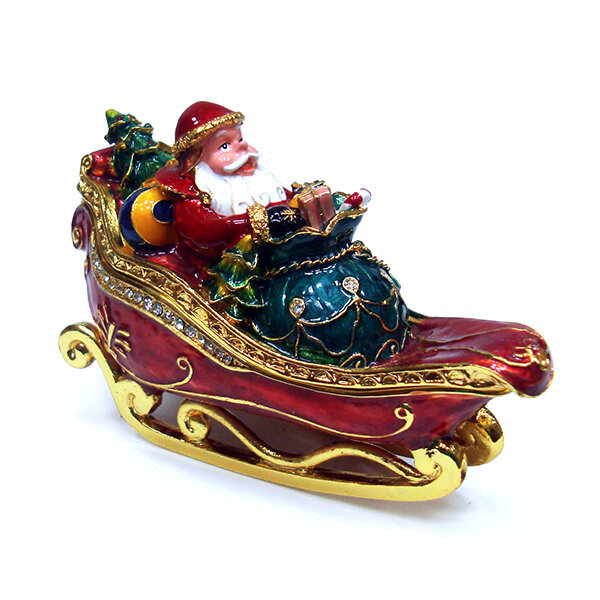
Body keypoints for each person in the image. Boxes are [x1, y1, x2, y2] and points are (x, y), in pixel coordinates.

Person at [152, 101, 368, 275]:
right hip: (225, 269)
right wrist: (257, 221)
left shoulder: (259, 179)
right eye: (225, 146)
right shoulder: (195, 195)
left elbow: (284, 200)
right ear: (195, 160)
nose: (243, 147)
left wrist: (303, 200)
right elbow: (204, 232)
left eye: (240, 138)